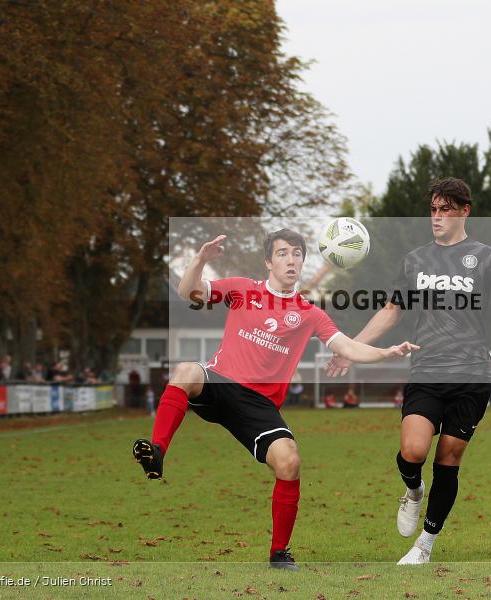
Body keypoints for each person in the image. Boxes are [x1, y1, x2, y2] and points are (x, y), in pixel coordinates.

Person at [132, 229, 418, 571]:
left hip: (259, 406)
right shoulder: (242, 289)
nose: (291, 260)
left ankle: (279, 553)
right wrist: (200, 260)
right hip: (220, 382)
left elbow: (348, 347)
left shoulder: (310, 314)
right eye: (282, 253)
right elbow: (187, 291)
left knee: (289, 462)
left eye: (297, 253)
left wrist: (386, 352)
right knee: (185, 371)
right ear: (268, 262)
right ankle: (157, 451)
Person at [325, 177, 491, 565]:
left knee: (448, 460)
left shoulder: (484, 257)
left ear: (465, 211)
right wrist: (350, 349)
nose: (436, 217)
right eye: (433, 210)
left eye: (445, 210)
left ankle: (424, 545)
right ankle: (414, 490)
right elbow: (391, 312)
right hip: (427, 370)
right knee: (413, 451)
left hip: (471, 376)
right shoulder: (416, 261)